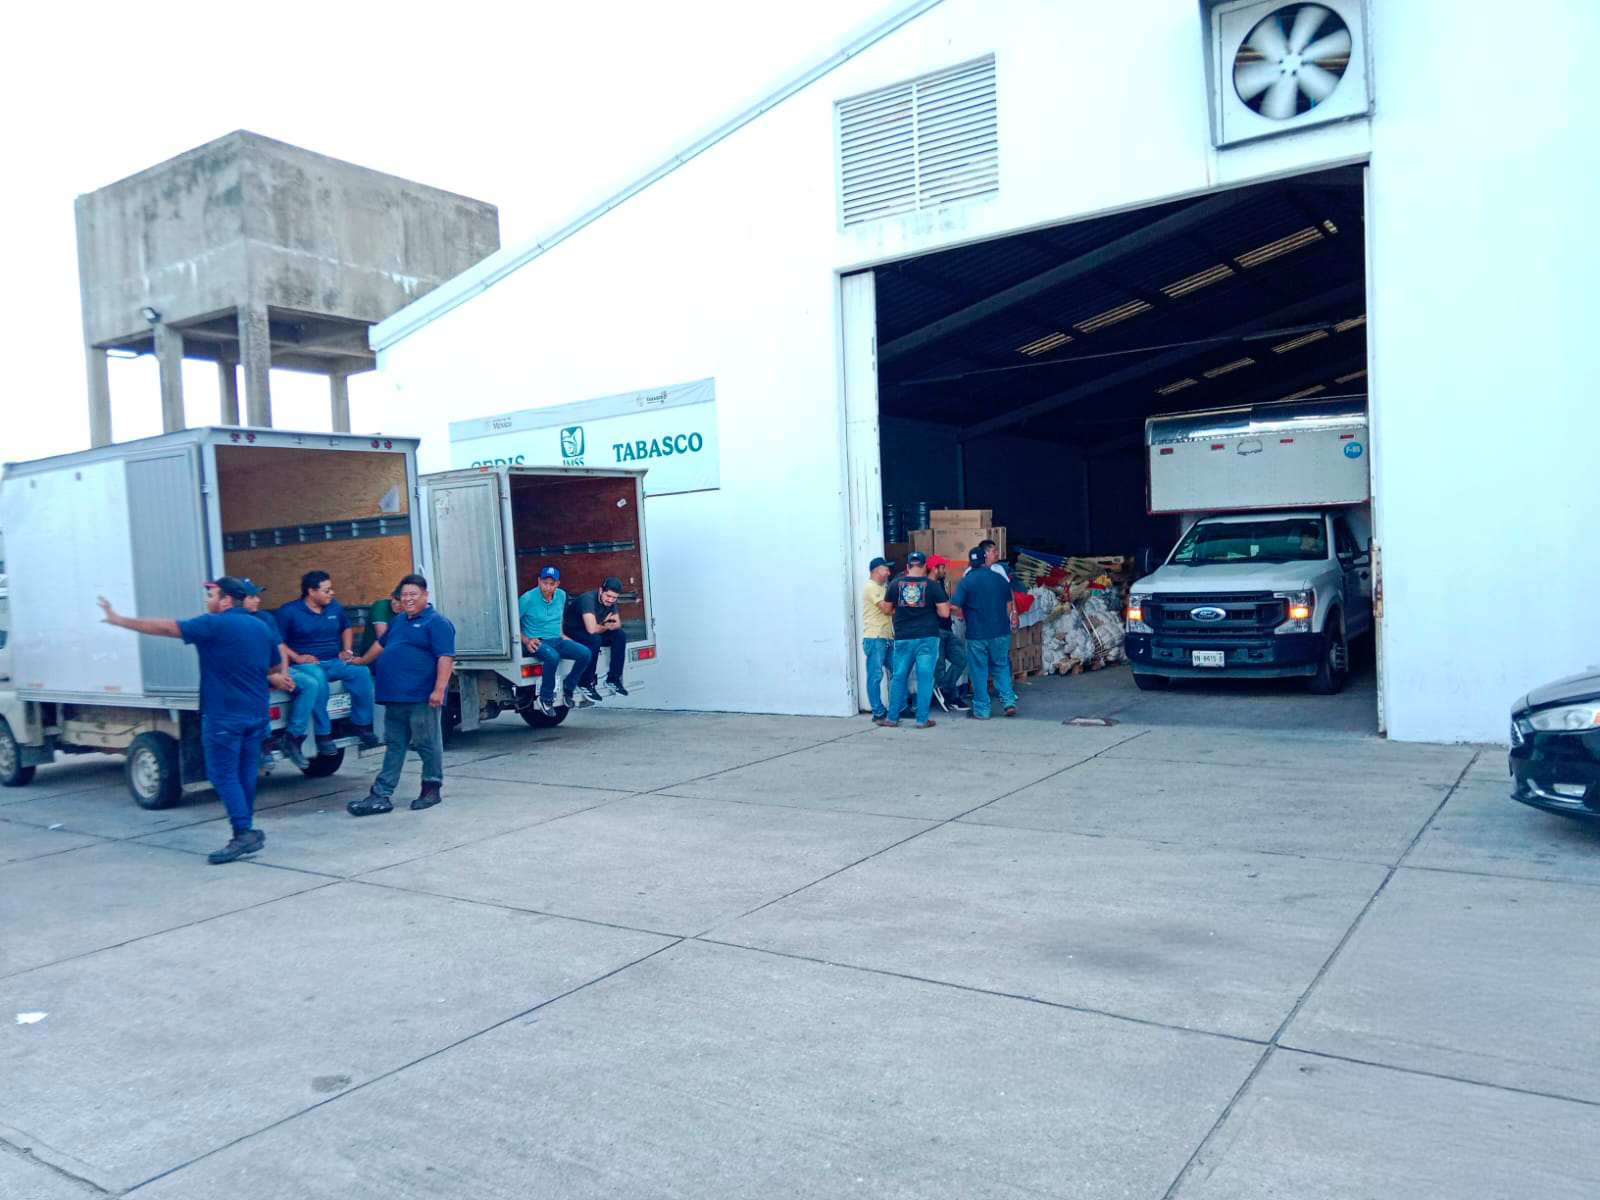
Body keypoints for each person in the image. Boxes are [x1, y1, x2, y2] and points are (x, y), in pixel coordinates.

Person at [98, 577, 280, 864]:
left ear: (226, 600)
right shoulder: (261, 626)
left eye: (212, 596)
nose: (207, 601)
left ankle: (243, 832)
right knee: (244, 772)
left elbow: (166, 628)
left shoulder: (213, 624)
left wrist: (119, 620)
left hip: (224, 715)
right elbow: (274, 665)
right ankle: (246, 829)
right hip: (256, 712)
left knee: (222, 774)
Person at [348, 574, 456, 816]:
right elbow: (381, 645)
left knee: (427, 744)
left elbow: (445, 658)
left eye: (413, 594)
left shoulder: (437, 623)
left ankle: (431, 788)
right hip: (394, 697)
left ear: (425, 595)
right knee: (394, 744)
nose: (407, 599)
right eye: (404, 595)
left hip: (421, 697)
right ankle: (381, 794)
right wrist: (361, 661)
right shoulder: (398, 621)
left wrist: (439, 690)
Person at [275, 570, 379, 754]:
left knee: (361, 672)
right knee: (318, 677)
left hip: (333, 662)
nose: (332, 593)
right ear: (311, 591)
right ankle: (323, 734)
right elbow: (278, 642)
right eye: (327, 590)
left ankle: (362, 725)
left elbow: (346, 628)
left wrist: (347, 650)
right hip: (305, 665)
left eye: (331, 589)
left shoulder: (334, 606)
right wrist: (297, 657)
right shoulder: (289, 611)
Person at [236, 582, 319, 770]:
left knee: (309, 684)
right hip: (253, 673)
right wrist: (272, 676)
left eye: (257, 596)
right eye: (252, 597)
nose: (257, 600)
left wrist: (284, 673)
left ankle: (292, 738)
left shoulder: (265, 618)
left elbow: (280, 646)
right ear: (238, 600)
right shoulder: (236, 623)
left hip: (274, 668)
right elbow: (243, 658)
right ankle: (264, 742)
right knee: (257, 691)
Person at [878, 551, 950, 730]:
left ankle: (892, 718)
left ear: (908, 566)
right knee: (925, 678)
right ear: (925, 566)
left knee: (899, 677)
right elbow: (945, 613)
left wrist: (901, 610)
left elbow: (886, 610)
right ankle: (922, 720)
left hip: (904, 637)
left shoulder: (895, 584)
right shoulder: (933, 586)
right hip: (927, 636)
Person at [952, 545, 1019, 719]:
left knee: (979, 670)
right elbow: (1009, 603)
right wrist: (1006, 620)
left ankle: (982, 710)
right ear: (985, 559)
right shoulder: (1000, 578)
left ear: (970, 562)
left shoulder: (966, 581)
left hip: (977, 633)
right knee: (1001, 666)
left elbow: (955, 606)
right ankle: (1009, 702)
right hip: (1001, 631)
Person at [517, 566, 592, 715]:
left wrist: (562, 634)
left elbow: (559, 616)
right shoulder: (528, 598)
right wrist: (526, 641)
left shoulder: (561, 595)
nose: (548, 587)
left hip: (556, 640)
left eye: (552, 584)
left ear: (558, 584)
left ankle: (568, 688)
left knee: (585, 653)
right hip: (538, 642)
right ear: (539, 581)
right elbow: (510, 623)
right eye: (545, 583)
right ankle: (545, 698)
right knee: (553, 657)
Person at [565, 576, 628, 704]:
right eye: (608, 596)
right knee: (594, 639)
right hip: (572, 630)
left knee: (620, 635)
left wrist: (604, 626)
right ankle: (585, 682)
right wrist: (605, 625)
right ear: (600, 591)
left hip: (592, 629)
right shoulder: (588, 599)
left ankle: (613, 679)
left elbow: (617, 624)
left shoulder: (610, 602)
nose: (610, 600)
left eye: (614, 598)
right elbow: (591, 629)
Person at [923, 555, 969, 712]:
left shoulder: (940, 583)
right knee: (940, 666)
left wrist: (948, 606)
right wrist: (946, 607)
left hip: (947, 629)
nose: (945, 570)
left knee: (961, 659)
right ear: (934, 569)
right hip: (935, 630)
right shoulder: (926, 585)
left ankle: (945, 689)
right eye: (942, 567)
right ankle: (949, 694)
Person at [860, 556, 895, 721]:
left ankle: (899, 706)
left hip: (886, 636)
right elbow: (886, 609)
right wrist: (905, 608)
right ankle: (878, 711)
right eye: (885, 569)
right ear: (876, 570)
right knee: (875, 675)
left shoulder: (883, 587)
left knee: (898, 670)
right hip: (875, 638)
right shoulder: (872, 587)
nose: (888, 572)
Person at [359, 587, 400, 657]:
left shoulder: (409, 611)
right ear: (391, 596)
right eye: (396, 599)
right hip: (372, 656)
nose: (398, 604)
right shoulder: (381, 606)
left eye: (402, 601)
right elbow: (383, 639)